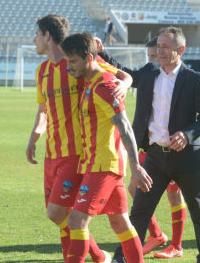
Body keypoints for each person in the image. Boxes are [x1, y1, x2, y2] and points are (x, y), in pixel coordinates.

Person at [99, 26, 200, 263]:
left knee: (199, 213)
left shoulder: (195, 79)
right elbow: (123, 72)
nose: (159, 50)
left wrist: (188, 133)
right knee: (140, 212)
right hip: (153, 158)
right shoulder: (150, 72)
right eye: (158, 46)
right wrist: (102, 53)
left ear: (180, 50)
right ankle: (122, 258)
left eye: (165, 46)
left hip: (186, 159)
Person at [26, 14, 131, 263]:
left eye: (37, 34)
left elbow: (122, 76)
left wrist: (125, 84)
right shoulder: (41, 71)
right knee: (61, 216)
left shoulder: (75, 64)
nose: (33, 40)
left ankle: (95, 257)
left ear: (48, 36)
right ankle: (96, 257)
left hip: (76, 155)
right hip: (52, 154)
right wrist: (34, 137)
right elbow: (44, 110)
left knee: (60, 214)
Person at [60, 32, 152, 263]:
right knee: (120, 221)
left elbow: (125, 126)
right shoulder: (94, 79)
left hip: (104, 165)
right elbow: (125, 76)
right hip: (97, 163)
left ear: (90, 58)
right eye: (67, 61)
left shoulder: (104, 85)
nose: (69, 67)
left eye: (73, 61)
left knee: (76, 222)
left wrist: (135, 166)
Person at [124, 36, 188, 259]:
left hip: (170, 147)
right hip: (148, 144)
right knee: (134, 188)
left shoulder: (178, 77)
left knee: (174, 195)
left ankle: (177, 245)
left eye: (156, 55)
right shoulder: (150, 74)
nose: (152, 61)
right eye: (150, 56)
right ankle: (157, 235)